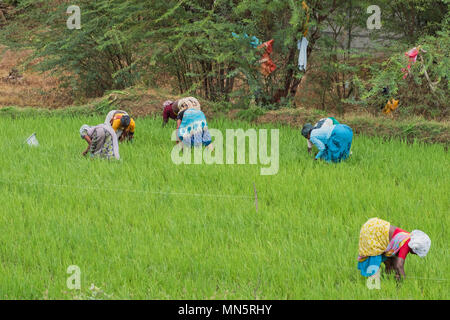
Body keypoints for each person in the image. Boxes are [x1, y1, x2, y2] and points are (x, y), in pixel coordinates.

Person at [358, 218, 431, 280]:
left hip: (374, 226)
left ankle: (387, 279)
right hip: (372, 232)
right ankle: (373, 284)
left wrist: (397, 274)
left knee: (392, 261)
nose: (415, 254)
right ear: (415, 248)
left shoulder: (407, 237)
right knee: (374, 262)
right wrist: (403, 279)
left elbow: (395, 259)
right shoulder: (406, 244)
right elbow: (399, 265)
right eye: (416, 252)